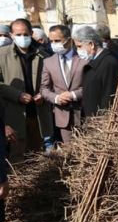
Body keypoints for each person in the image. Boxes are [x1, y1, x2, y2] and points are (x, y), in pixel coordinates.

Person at [0, 18, 53, 160]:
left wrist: (43, 94)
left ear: (31, 33)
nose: (22, 38)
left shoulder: (43, 55)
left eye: (25, 34)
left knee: (37, 156)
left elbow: (51, 82)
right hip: (13, 114)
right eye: (18, 34)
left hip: (37, 113)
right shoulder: (2, 55)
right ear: (11, 35)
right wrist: (16, 95)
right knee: (16, 156)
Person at [41, 24, 87, 145]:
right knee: (70, 152)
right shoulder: (48, 62)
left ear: (69, 40)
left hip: (84, 113)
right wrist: (56, 98)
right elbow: (44, 89)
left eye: (57, 40)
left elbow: (91, 86)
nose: (54, 44)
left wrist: (73, 95)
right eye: (51, 41)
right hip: (63, 116)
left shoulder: (83, 58)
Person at [75, 26, 118, 118]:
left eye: (79, 46)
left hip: (100, 123)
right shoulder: (93, 61)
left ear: (91, 44)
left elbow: (110, 97)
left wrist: (103, 124)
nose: (78, 51)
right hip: (91, 118)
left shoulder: (109, 63)